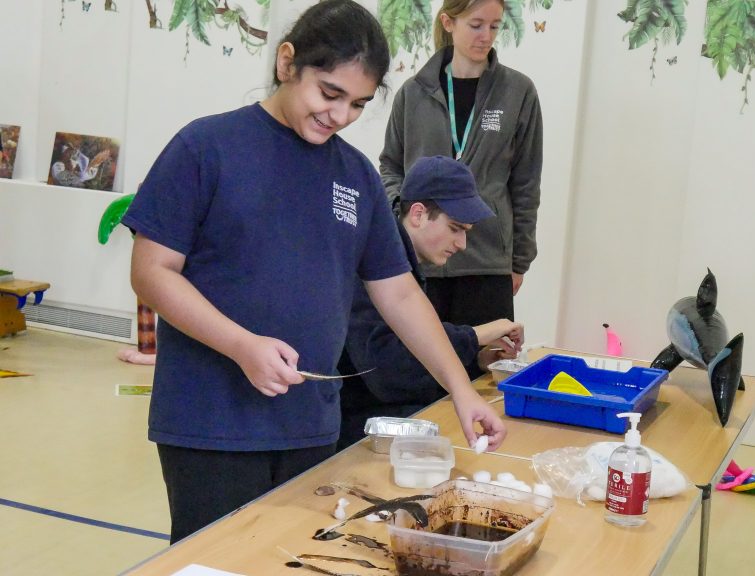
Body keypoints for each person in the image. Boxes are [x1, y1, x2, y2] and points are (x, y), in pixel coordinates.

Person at [121, 0, 506, 544]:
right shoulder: (206, 147)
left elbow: (398, 295)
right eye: (329, 93)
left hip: (309, 427)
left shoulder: (355, 176)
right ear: (287, 63)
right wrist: (241, 346)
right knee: (218, 558)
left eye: (358, 104)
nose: (341, 115)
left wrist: (461, 390)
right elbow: (152, 271)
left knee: (296, 558)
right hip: (212, 424)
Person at [337, 156, 524, 451]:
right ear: (418, 214)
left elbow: (411, 354)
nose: (462, 244)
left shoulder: (406, 263)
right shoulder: (371, 267)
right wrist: (475, 336)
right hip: (352, 437)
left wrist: (473, 358)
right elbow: (386, 369)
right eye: (454, 228)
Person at [380, 0, 543, 327]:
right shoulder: (412, 94)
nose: (486, 35)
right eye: (476, 24)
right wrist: (404, 213)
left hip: (486, 261)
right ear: (449, 22)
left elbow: (526, 182)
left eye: (494, 26)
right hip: (421, 259)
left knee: (483, 367)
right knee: (420, 368)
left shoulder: (518, 92)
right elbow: (390, 167)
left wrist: (519, 261)